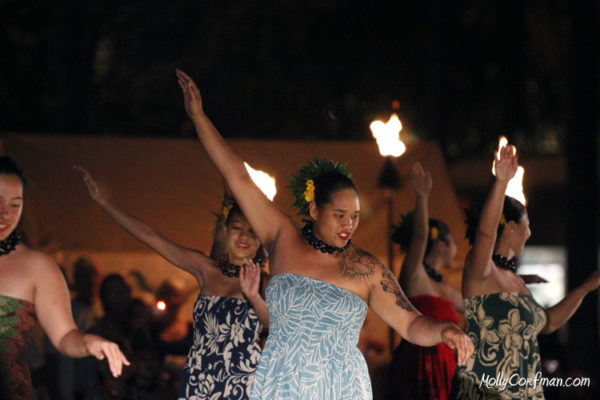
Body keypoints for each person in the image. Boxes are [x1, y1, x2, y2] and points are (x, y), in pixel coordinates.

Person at [176, 68, 474, 400]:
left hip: (341, 387)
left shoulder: (368, 269)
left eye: (356, 217)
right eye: (340, 215)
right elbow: (238, 177)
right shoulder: (281, 238)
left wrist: (445, 330)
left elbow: (411, 324)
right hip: (281, 383)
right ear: (315, 210)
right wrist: (199, 116)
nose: (349, 225)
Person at [76, 166, 268, 400]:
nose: (244, 237)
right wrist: (103, 202)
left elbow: (278, 330)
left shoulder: (265, 282)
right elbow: (152, 237)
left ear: (261, 238)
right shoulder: (206, 269)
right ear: (226, 231)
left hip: (243, 386)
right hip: (199, 382)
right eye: (237, 228)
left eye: (252, 231)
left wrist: (254, 296)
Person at [449, 143, 600, 399]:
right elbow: (486, 234)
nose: (529, 233)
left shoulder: (517, 283)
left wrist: (587, 287)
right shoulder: (481, 269)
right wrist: (501, 182)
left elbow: (549, 322)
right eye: (526, 225)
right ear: (510, 228)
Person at [0, 156, 129, 400]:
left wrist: (89, 342)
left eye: (15, 204)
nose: (5, 214)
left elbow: (63, 336)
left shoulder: (37, 266)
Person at [385, 162, 463, 400]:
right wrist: (422, 196)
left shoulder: (446, 287)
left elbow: (479, 306)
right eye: (452, 242)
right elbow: (420, 236)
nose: (456, 249)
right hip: (417, 366)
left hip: (447, 368)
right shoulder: (414, 271)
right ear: (440, 244)